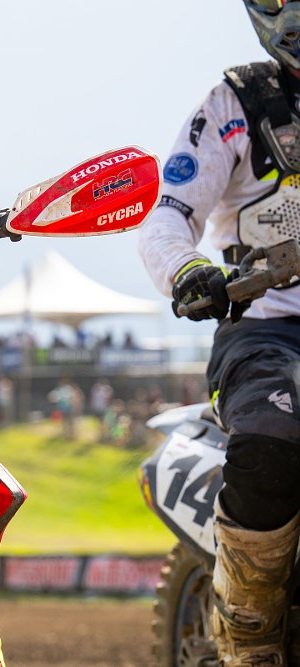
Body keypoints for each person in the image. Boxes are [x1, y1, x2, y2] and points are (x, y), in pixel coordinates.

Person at [138, 2, 300, 662]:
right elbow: (166, 218)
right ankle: (248, 637)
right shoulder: (235, 104)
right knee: (272, 439)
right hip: (266, 331)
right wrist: (190, 272)